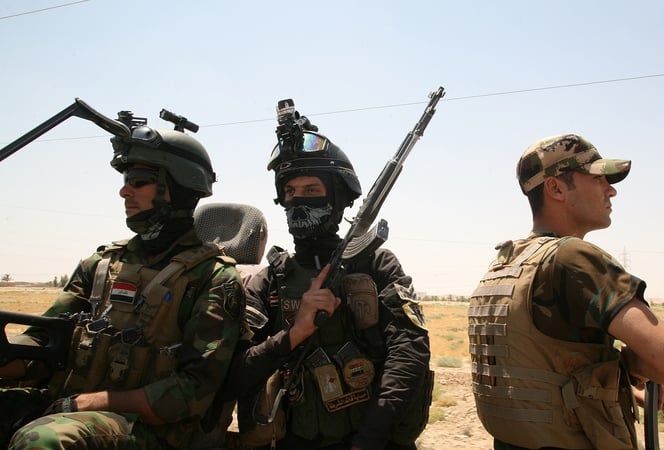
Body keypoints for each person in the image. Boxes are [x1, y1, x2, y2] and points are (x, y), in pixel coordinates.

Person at [0, 122, 245, 449]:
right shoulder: (101, 265)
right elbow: (44, 347)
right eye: (125, 181)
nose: (124, 191)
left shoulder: (212, 278)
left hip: (152, 430)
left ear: (180, 187)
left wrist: (89, 402)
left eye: (139, 182)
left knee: (43, 440)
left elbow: (191, 393)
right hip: (69, 408)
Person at [468, 133, 664, 450]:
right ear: (556, 187)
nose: (611, 190)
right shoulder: (572, 257)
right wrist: (632, 363)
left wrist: (617, 378)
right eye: (597, 178)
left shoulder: (507, 263)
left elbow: (543, 367)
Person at [222, 126, 433, 450]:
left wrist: (370, 439)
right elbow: (235, 375)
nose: (297, 200)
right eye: (290, 191)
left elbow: (409, 352)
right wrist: (293, 334)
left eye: (310, 189)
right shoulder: (270, 280)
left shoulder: (376, 265)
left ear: (337, 197)